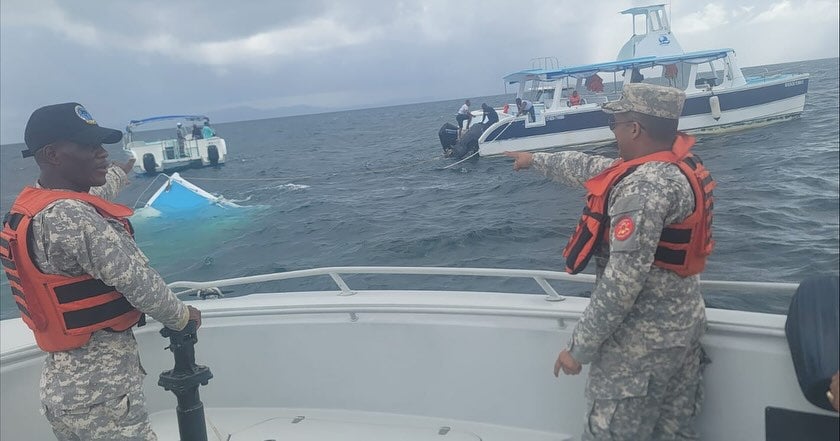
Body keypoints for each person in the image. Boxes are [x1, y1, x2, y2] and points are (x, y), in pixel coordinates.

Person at [505, 83, 715, 440]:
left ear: (634, 128)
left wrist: (579, 349)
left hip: (640, 351)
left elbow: (622, 283)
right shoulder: (673, 168)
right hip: (682, 335)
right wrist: (536, 160)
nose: (613, 131)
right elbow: (592, 167)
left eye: (614, 123)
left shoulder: (643, 189)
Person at [1, 102, 201, 440]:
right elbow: (140, 283)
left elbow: (97, 191)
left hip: (67, 389)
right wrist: (183, 316)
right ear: (53, 154)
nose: (101, 154)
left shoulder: (41, 206)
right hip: (103, 396)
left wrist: (121, 172)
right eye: (88, 146)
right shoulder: (73, 217)